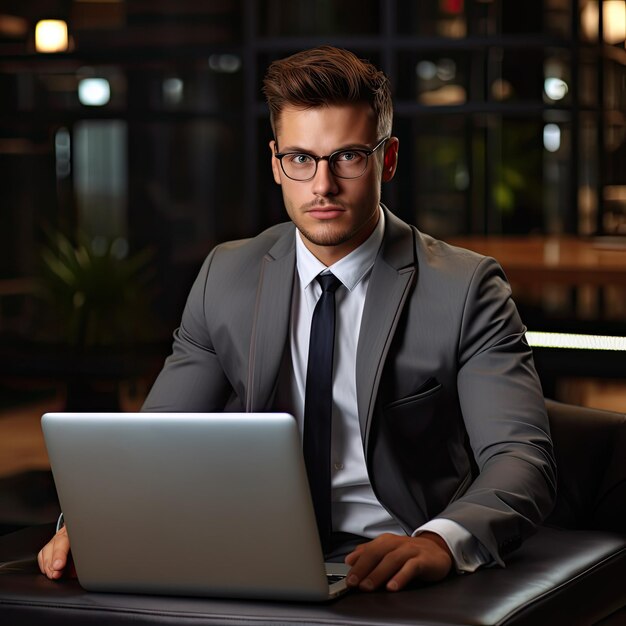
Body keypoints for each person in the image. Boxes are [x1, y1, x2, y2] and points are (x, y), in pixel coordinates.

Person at [38, 46, 556, 592]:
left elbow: (521, 458)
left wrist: (437, 542)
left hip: (395, 557)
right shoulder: (226, 276)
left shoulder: (466, 288)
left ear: (388, 158)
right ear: (276, 162)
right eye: (301, 158)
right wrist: (92, 522)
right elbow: (156, 443)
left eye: (348, 157)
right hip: (250, 553)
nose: (323, 185)